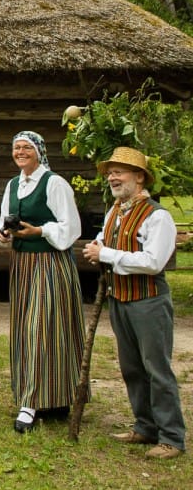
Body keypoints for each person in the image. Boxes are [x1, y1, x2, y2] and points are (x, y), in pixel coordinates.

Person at [83, 146, 185, 459]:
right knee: (131, 368)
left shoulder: (158, 216)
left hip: (149, 301)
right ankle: (145, 427)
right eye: (110, 173)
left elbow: (154, 262)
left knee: (157, 370)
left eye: (119, 172)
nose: (112, 178)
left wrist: (107, 254)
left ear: (139, 177)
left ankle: (172, 438)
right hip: (120, 299)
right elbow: (106, 241)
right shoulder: (115, 211)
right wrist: (98, 248)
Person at [0, 132, 84, 433]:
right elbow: (4, 223)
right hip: (22, 265)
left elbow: (71, 227)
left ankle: (33, 402)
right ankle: (42, 397)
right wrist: (4, 234)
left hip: (50, 264)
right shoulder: (13, 185)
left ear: (39, 152)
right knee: (25, 330)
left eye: (26, 148)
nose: (20, 152)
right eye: (16, 147)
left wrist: (40, 231)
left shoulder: (54, 183)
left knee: (44, 329)